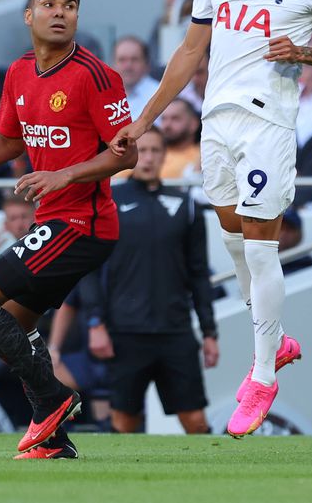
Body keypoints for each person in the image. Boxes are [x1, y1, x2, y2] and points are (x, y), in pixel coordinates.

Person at [108, 0, 312, 438]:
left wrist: (305, 52)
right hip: (215, 121)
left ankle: (264, 374)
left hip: (268, 120)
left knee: (263, 246)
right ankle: (277, 338)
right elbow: (190, 51)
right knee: (233, 238)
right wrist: (142, 120)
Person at [0, 0, 138, 460]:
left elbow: (125, 155)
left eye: (69, 5)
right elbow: (7, 141)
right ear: (29, 15)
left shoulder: (97, 75)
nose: (59, 12)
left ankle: (54, 399)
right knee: (13, 324)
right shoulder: (19, 72)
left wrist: (65, 176)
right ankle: (53, 439)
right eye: (48, 4)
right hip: (55, 220)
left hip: (84, 223)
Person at [78, 127, 218, 434]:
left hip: (176, 329)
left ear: (165, 155)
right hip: (125, 331)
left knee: (196, 421)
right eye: (142, 150)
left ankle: (209, 480)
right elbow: (88, 268)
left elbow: (199, 273)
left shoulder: (187, 205)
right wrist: (95, 322)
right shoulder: (107, 201)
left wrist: (209, 331)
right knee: (124, 421)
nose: (148, 158)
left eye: (155, 150)